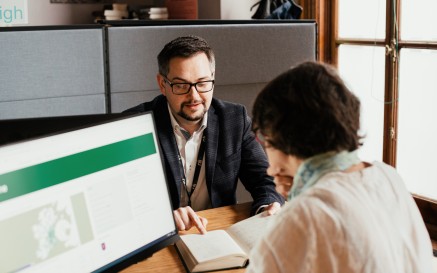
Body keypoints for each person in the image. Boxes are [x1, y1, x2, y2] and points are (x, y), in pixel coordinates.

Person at [246, 62, 434, 272]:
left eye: (268, 144)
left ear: (286, 139)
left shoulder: (302, 217)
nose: (270, 169)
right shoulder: (388, 177)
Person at [124, 36, 284, 234]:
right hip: (162, 236)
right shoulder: (134, 126)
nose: (194, 96)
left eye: (202, 83)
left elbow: (265, 180)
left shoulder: (234, 119)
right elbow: (122, 202)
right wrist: (162, 218)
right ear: (162, 84)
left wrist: (268, 206)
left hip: (216, 232)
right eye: (181, 85)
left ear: (213, 77)